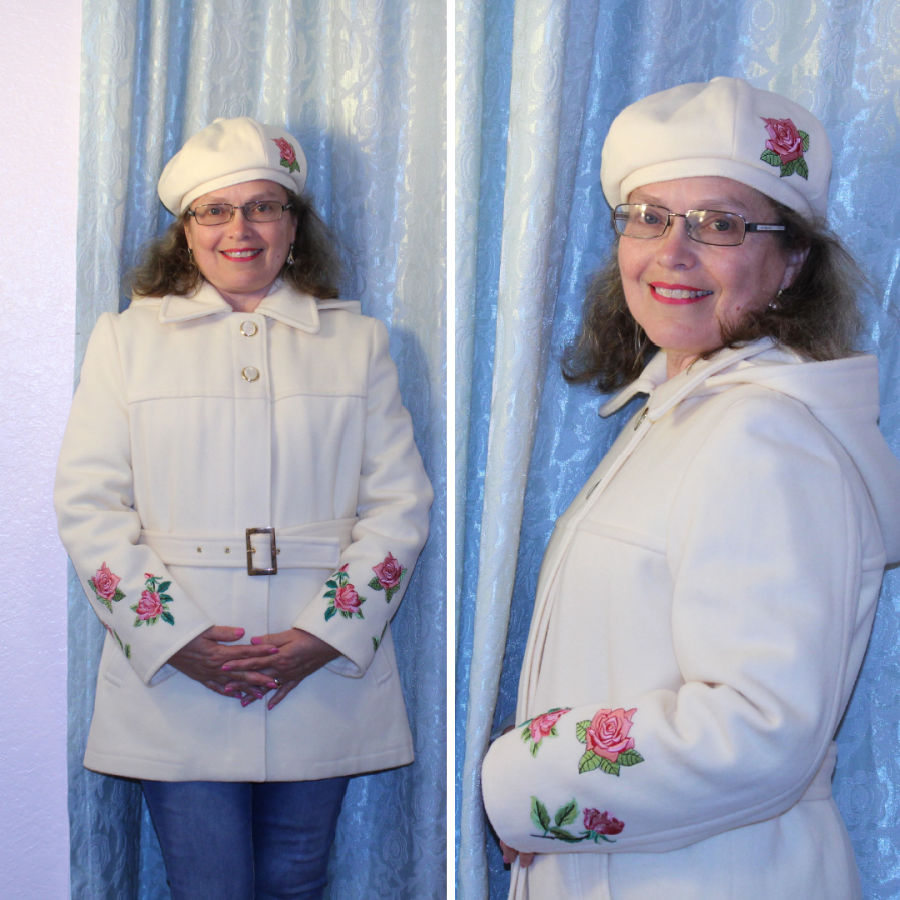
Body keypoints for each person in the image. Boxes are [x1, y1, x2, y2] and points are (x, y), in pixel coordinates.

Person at [480, 77, 900, 899]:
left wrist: (521, 784)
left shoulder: (765, 436)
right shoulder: (681, 412)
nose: (671, 252)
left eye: (720, 224)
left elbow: (758, 728)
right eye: (650, 217)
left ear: (792, 263)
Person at [55, 116, 432, 899]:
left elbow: (399, 505)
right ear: (184, 230)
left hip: (319, 676)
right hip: (181, 681)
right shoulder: (126, 341)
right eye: (215, 211)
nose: (241, 229)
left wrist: (324, 634)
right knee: (208, 885)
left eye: (264, 206)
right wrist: (179, 640)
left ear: (294, 224)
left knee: (299, 880)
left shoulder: (355, 342)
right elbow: (89, 504)